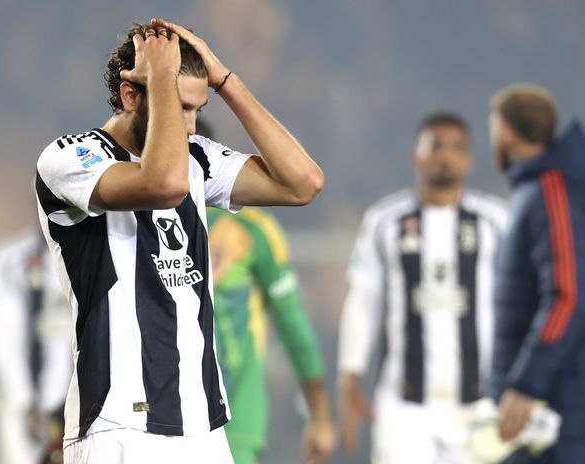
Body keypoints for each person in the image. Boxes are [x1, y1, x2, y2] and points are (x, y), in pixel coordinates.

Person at [34, 18, 324, 464]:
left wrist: (226, 81)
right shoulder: (70, 157)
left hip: (202, 425)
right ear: (131, 95)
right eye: (179, 106)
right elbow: (164, 184)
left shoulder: (197, 158)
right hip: (118, 427)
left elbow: (303, 183)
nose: (192, 127)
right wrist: (164, 79)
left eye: (196, 108)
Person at [338, 112, 508, 463]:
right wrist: (350, 375)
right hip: (404, 406)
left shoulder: (496, 221)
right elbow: (363, 300)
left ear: (468, 161)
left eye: (455, 148)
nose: (444, 156)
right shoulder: (384, 220)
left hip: (478, 404)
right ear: (415, 155)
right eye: (435, 146)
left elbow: (519, 301)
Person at [487, 83, 585, 463]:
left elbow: (567, 294)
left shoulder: (553, 192)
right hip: (545, 418)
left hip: (559, 417)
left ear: (507, 133)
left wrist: (526, 385)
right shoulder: (537, 192)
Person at [196, 118, 336, 464]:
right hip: (151, 423)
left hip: (233, 425)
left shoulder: (251, 232)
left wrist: (319, 414)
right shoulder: (132, 222)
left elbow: (292, 323)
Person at [0, 229, 73, 464]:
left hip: (84, 406)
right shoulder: (11, 258)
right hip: (32, 412)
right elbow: (4, 336)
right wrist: (26, 401)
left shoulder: (96, 247)